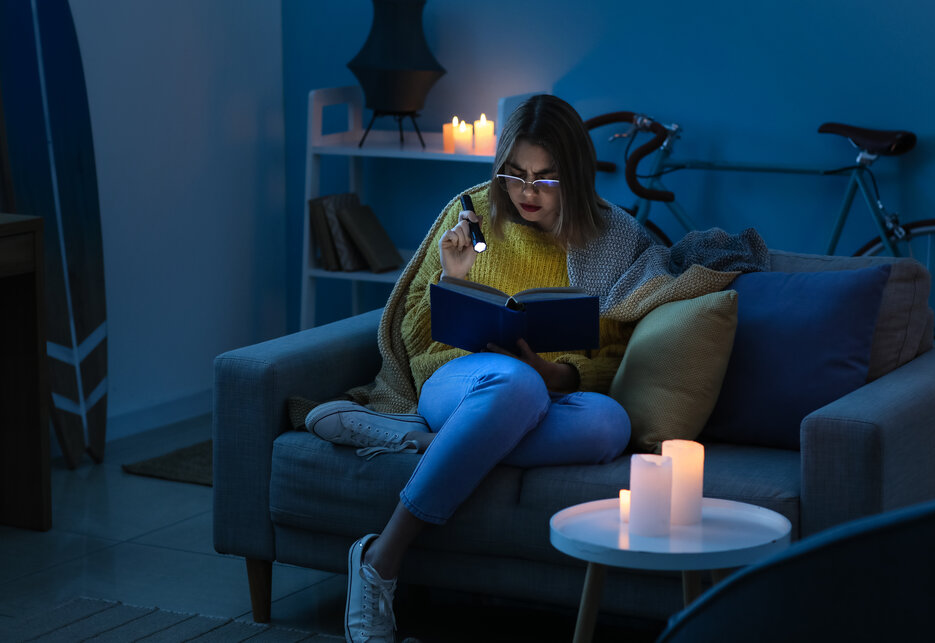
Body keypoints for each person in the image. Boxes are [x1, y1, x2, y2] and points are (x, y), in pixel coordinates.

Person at [303, 94, 769, 643]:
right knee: (512, 383)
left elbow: (613, 349)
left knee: (609, 424)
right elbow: (413, 332)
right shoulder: (472, 216)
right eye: (516, 174)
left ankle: (431, 444)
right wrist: (452, 280)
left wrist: (562, 375)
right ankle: (382, 557)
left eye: (546, 179)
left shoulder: (612, 238)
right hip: (452, 378)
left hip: (541, 393)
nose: (526, 192)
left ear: (574, 174)